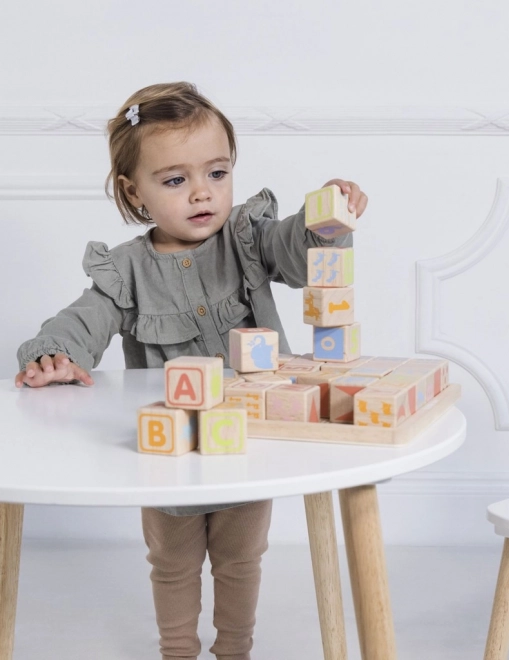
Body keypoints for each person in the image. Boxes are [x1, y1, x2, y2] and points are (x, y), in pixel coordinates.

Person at [14, 81, 368, 660]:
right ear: (136, 193)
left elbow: (297, 257)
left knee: (239, 559)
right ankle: (176, 650)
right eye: (176, 180)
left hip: (247, 444)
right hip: (169, 457)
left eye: (218, 174)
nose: (202, 194)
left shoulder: (249, 239)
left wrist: (325, 220)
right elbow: (82, 321)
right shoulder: (125, 271)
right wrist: (52, 352)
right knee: (173, 563)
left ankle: (234, 650)